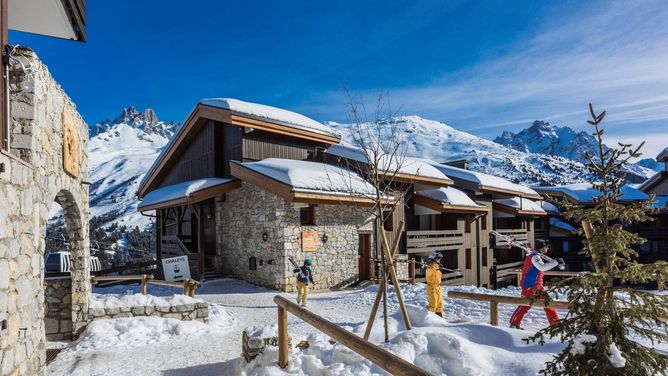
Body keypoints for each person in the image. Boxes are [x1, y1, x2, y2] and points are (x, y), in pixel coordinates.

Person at [509, 240, 560, 329]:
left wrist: (556, 263)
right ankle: (514, 324)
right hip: (530, 286)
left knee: (549, 304)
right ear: (542, 247)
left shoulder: (537, 255)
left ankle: (555, 325)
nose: (548, 248)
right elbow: (542, 267)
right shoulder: (534, 257)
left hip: (538, 286)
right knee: (525, 305)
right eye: (547, 247)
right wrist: (555, 262)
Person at [425, 252, 444, 317]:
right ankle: (427, 317)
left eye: (439, 259)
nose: (439, 260)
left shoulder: (437, 268)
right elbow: (431, 268)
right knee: (433, 304)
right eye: (437, 259)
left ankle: (439, 316)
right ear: (433, 259)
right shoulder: (430, 267)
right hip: (431, 288)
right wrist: (431, 264)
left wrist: (438, 267)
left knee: (440, 304)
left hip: (438, 287)